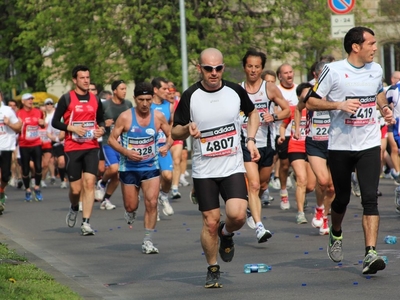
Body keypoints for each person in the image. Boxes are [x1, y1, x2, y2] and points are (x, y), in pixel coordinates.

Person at [306, 26, 394, 274]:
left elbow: (377, 93)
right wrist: (338, 104)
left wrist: (384, 108)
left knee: (370, 198)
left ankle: (370, 254)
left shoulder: (375, 69)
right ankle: (335, 232)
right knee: (342, 198)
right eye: (371, 44)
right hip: (341, 146)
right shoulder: (333, 71)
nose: (375, 48)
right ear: (356, 46)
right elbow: (310, 101)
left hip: (368, 144)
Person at [172, 48, 260, 288]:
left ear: (223, 67)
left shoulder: (234, 91)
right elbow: (174, 130)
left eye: (218, 68)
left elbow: (253, 115)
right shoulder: (190, 96)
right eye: (208, 68)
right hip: (204, 171)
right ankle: (213, 268)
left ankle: (226, 233)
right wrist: (186, 129)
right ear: (199, 68)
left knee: (238, 215)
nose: (214, 73)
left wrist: (250, 140)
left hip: (232, 166)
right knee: (210, 222)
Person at [108, 82, 171, 254]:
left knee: (151, 203)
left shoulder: (158, 116)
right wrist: (126, 152)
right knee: (131, 206)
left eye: (148, 100)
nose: (144, 104)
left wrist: (167, 146)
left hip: (150, 166)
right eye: (141, 99)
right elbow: (111, 140)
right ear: (135, 99)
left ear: (152, 99)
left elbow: (171, 134)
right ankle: (130, 212)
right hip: (128, 167)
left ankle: (148, 240)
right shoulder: (125, 117)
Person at [240, 49, 290, 242]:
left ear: (262, 68)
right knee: (252, 184)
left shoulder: (269, 88)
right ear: (244, 67)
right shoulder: (238, 89)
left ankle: (252, 209)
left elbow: (286, 110)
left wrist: (274, 116)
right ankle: (260, 227)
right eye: (250, 66)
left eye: (257, 66)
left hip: (266, 144)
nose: (253, 70)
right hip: (246, 143)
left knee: (261, 184)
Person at [52, 65, 105, 236]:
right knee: (75, 189)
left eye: (88, 77)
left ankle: (86, 223)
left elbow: (102, 120)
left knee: (89, 183)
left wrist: (101, 130)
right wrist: (72, 128)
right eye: (82, 78)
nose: (86, 80)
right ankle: (74, 206)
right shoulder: (67, 98)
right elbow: (55, 122)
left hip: (91, 146)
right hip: (73, 147)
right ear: (75, 80)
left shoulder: (95, 99)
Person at [294, 79, 334, 234]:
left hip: (335, 144)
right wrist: (297, 129)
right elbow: (298, 109)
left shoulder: (337, 92)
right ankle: (319, 208)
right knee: (323, 181)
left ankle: (324, 217)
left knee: (332, 188)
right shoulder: (308, 93)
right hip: (314, 143)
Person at [95, 80, 132, 210]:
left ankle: (106, 199)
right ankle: (102, 182)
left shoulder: (128, 104)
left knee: (118, 175)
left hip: (124, 144)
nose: (124, 91)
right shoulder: (105, 105)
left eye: (125, 89)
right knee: (114, 168)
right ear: (114, 91)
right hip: (108, 142)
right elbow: (96, 120)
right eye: (122, 89)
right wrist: (103, 124)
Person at [151, 77, 175, 217]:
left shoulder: (169, 106)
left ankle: (164, 196)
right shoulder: (147, 105)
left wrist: (168, 143)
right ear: (155, 90)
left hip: (163, 147)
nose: (167, 91)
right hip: (149, 148)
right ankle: (154, 209)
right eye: (164, 89)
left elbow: (171, 123)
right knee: (153, 180)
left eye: (168, 89)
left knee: (167, 176)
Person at [275, 63, 298, 209]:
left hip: (298, 134)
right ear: (280, 76)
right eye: (286, 73)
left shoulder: (299, 89)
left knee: (299, 166)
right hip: (283, 133)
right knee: (284, 165)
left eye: (291, 72)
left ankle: (300, 191)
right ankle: (284, 192)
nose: (289, 75)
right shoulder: (276, 91)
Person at [17, 93, 45, 202]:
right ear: (23, 101)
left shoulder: (38, 112)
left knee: (38, 167)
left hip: (36, 143)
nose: (30, 101)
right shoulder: (19, 113)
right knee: (25, 169)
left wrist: (42, 124)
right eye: (28, 99)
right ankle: (28, 189)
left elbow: (42, 124)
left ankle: (37, 187)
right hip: (24, 144)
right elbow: (16, 127)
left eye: (31, 99)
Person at [0, 98, 22, 214]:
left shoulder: (7, 110)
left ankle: (1, 191)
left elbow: (18, 128)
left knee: (5, 176)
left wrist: (8, 123)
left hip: (6, 148)